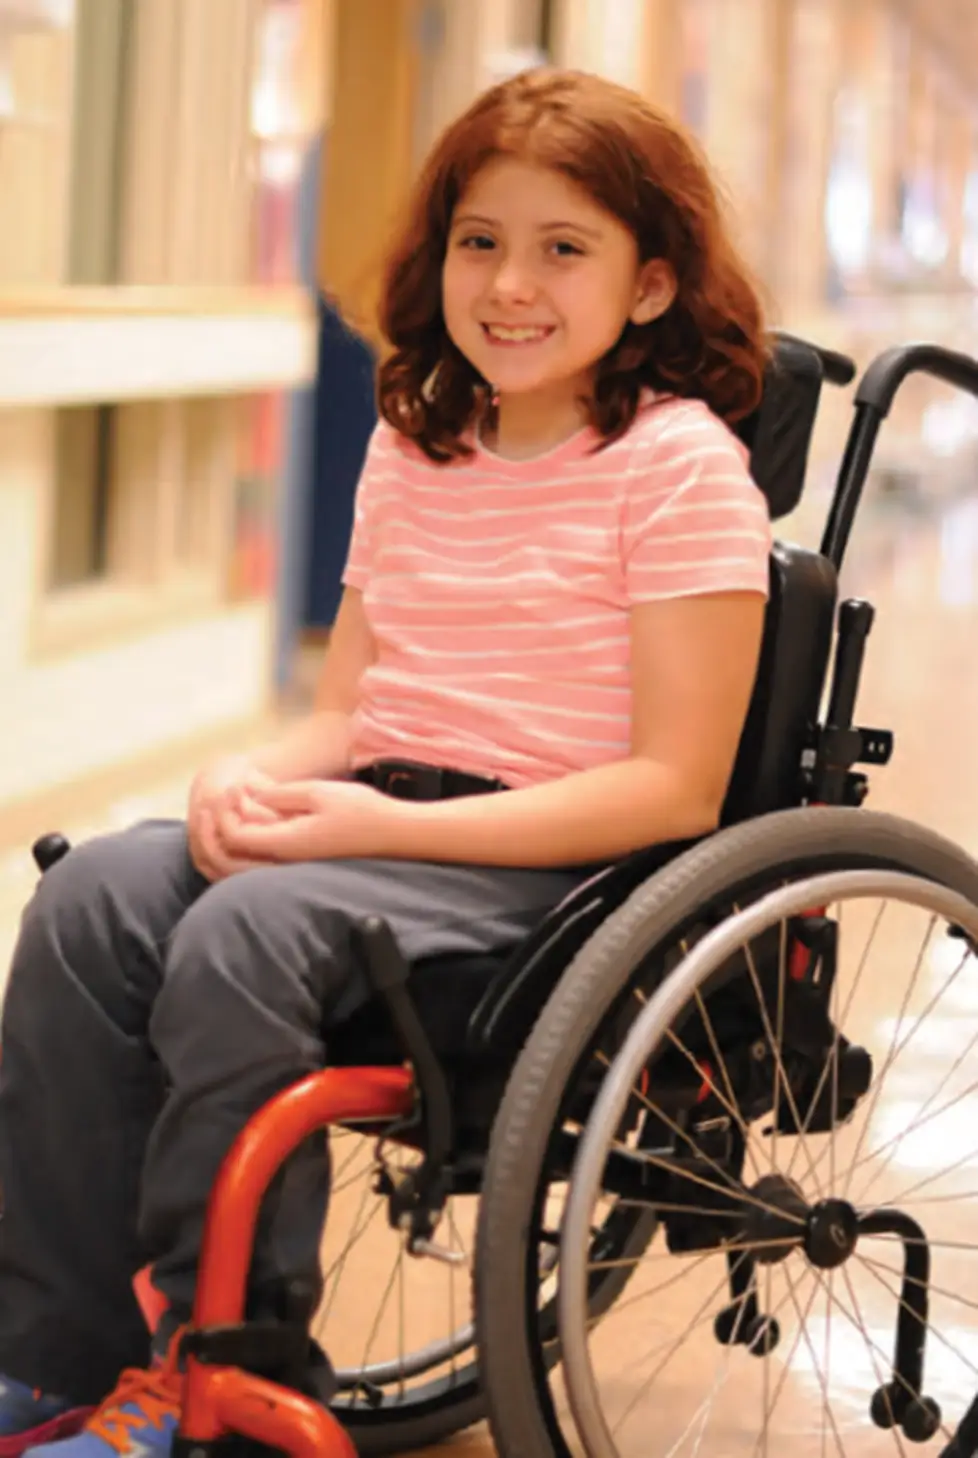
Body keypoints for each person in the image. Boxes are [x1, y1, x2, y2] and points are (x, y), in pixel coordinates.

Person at [0, 66, 772, 1458]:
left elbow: (674, 788)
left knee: (244, 933)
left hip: (556, 861)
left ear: (649, 284)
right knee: (90, 897)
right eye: (480, 240)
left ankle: (221, 1372)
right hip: (386, 816)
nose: (510, 285)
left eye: (563, 248)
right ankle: (53, 1352)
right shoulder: (418, 447)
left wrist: (364, 828)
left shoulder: (679, 469)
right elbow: (348, 708)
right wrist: (250, 776)